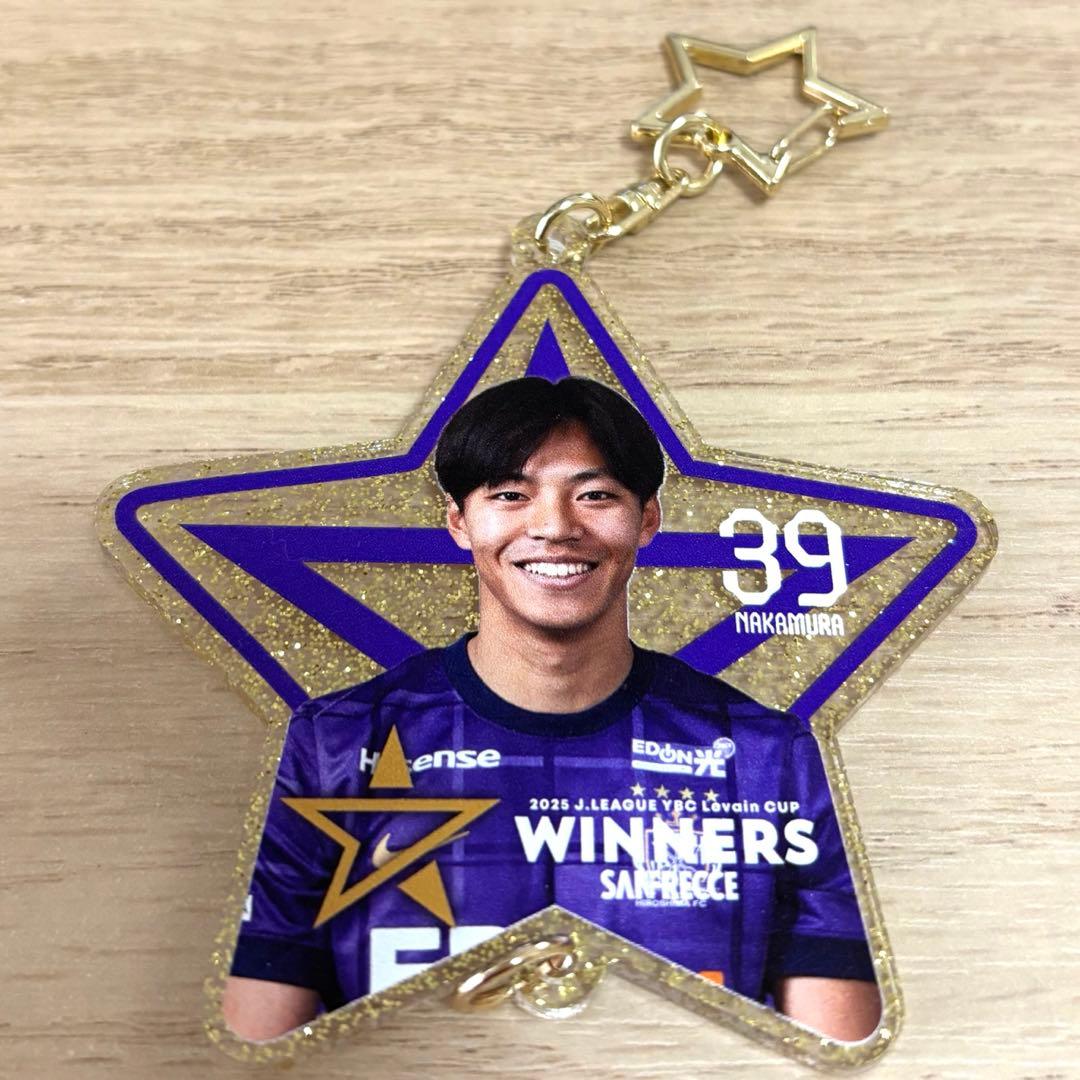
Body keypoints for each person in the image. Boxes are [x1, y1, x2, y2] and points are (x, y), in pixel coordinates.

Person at [223, 376, 881, 1042]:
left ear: (648, 519)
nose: (555, 527)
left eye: (595, 495)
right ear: (458, 522)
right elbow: (251, 1048)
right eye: (510, 495)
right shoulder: (331, 745)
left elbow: (835, 1056)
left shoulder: (771, 758)